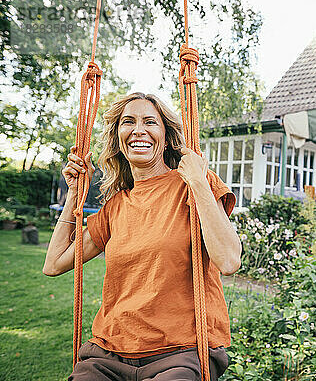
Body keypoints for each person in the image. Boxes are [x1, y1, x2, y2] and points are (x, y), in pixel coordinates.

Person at [43, 92, 242, 380]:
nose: (139, 130)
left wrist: (198, 181)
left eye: (150, 121)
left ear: (165, 135)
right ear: (118, 137)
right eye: (128, 122)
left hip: (181, 352)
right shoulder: (116, 207)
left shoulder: (193, 185)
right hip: (109, 354)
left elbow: (229, 260)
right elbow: (54, 265)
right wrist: (74, 192)